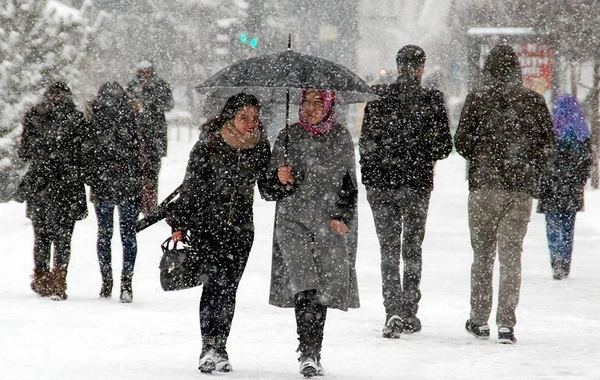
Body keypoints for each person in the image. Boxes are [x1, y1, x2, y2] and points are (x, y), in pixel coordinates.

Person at [454, 44, 556, 344]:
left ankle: (479, 319)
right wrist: (527, 163)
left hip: (484, 187)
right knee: (512, 258)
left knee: (483, 256)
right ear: (517, 69)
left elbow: (461, 142)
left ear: (489, 69)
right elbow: (548, 145)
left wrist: (483, 153)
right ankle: (506, 324)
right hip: (519, 189)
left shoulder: (477, 99)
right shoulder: (533, 101)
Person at [167, 93, 272, 374]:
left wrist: (281, 178)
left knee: (229, 290)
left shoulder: (261, 147)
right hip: (207, 228)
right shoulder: (210, 144)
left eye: (254, 118)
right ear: (230, 117)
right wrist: (179, 222)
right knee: (213, 285)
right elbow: (191, 186)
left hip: (241, 231)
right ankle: (208, 346)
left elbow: (268, 190)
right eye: (244, 118)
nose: (250, 124)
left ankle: (221, 346)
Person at [359, 45, 452, 338]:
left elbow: (366, 144)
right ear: (421, 67)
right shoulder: (432, 100)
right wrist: (420, 151)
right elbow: (443, 147)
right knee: (412, 247)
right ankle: (410, 309)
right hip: (416, 184)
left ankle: (393, 310)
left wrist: (372, 178)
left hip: (382, 185)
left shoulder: (378, 98)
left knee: (388, 249)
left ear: (398, 65)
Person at [267, 89, 359, 377]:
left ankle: (314, 350)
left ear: (329, 104)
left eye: (318, 102)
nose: (311, 108)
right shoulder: (287, 135)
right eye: (306, 102)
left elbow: (349, 184)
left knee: (321, 289)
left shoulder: (340, 137)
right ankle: (307, 351)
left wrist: (342, 216)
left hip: (328, 224)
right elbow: (268, 189)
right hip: (292, 221)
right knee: (304, 284)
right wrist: (279, 177)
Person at [16, 81, 88, 300]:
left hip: (41, 184)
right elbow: (83, 153)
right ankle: (58, 279)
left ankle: (42, 277)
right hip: (67, 184)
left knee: (42, 235)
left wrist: (42, 153)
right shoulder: (76, 119)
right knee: (63, 236)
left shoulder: (35, 116)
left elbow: (24, 152)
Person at [84, 82, 144, 302]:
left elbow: (88, 152)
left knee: (104, 234)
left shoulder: (94, 117)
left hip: (103, 184)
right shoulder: (132, 116)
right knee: (128, 235)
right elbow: (140, 152)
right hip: (128, 183)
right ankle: (126, 282)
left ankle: (106, 280)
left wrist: (92, 177)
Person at [537, 94, 593, 280]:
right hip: (571, 186)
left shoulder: (552, 127)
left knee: (552, 224)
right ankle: (565, 261)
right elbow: (587, 160)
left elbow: (541, 156)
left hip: (551, 185)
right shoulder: (582, 131)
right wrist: (580, 179)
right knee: (568, 226)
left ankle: (556, 259)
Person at [125, 60, 174, 216]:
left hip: (155, 135)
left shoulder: (160, 86)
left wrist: (152, 103)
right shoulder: (132, 86)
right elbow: (125, 106)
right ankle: (138, 203)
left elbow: (169, 104)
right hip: (136, 136)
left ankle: (150, 205)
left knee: (152, 172)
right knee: (137, 172)